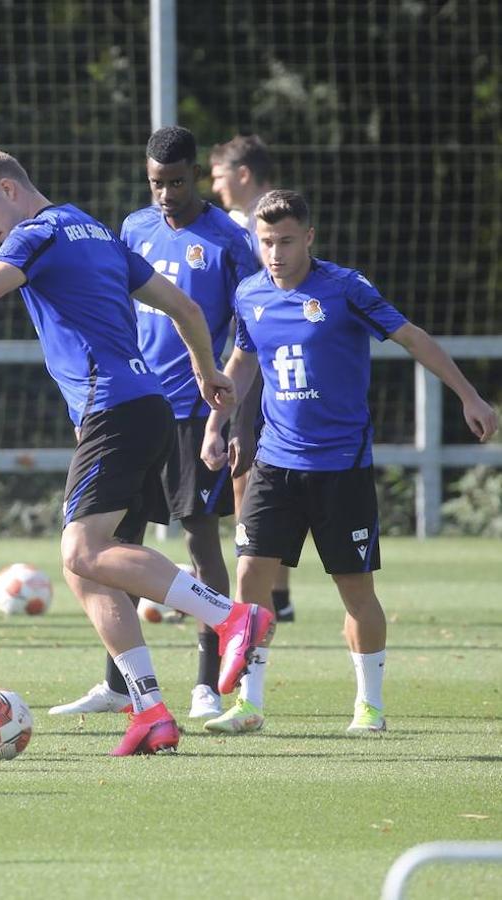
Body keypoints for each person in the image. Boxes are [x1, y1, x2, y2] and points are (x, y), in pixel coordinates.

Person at [0, 147, 274, 756]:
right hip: (147, 409)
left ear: (8, 189)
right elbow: (186, 308)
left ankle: (232, 617)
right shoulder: (96, 230)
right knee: (87, 568)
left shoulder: (39, 233)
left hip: (115, 410)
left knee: (82, 550)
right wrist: (206, 369)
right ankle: (150, 711)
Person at [201, 189, 498, 734]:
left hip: (341, 465)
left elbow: (412, 338)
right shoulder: (249, 293)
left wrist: (469, 396)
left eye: (286, 241)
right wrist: (216, 423)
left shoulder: (345, 289)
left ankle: (370, 705)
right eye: (266, 242)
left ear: (309, 238)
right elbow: (243, 360)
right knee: (250, 576)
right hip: (275, 461)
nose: (275, 253)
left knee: (355, 588)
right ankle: (250, 703)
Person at [50, 126, 259, 721]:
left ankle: (206, 684)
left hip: (195, 410)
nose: (166, 193)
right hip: (133, 403)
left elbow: (249, 337)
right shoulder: (133, 227)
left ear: (195, 176)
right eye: (156, 183)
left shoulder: (228, 241)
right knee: (114, 545)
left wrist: (234, 420)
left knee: (200, 539)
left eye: (176, 182)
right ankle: (120, 684)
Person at [210, 134, 295, 622]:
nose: (215, 186)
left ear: (243, 174)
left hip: (263, 364)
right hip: (254, 359)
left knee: (250, 473)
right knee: (256, 475)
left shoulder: (258, 228)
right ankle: (275, 597)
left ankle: (260, 596)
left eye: (219, 175)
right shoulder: (245, 223)